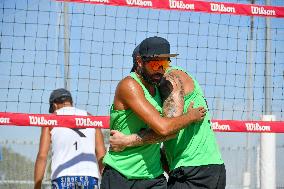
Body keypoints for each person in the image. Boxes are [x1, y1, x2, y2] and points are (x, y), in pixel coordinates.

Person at [109, 46, 226, 188]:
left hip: (192, 169)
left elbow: (168, 130)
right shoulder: (168, 81)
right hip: (209, 167)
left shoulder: (169, 80)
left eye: (163, 63)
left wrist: (127, 140)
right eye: (155, 64)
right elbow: (170, 138)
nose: (159, 68)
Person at [34, 88, 106, 189]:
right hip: (89, 177)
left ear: (54, 105)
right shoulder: (91, 118)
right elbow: (101, 154)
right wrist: (106, 181)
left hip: (62, 176)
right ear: (70, 102)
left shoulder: (50, 120)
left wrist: (36, 186)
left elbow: (42, 156)